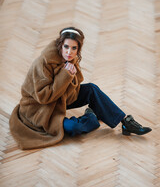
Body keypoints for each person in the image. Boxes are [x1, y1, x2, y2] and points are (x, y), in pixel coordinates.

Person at [9, 27, 152, 150]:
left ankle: (125, 122)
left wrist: (70, 77)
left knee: (91, 89)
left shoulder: (71, 59)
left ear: (78, 48)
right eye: (66, 46)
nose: (69, 52)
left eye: (74, 48)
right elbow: (43, 97)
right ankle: (91, 116)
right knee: (73, 128)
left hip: (58, 100)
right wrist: (65, 76)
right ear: (60, 45)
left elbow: (72, 95)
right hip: (39, 110)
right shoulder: (43, 63)